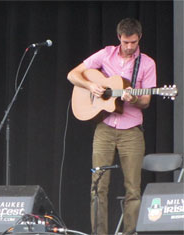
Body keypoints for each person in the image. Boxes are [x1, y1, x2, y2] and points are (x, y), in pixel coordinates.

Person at [67, 18, 156, 234]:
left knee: (133, 189)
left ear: (139, 38)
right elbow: (72, 74)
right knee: (98, 187)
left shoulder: (147, 63)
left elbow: (146, 101)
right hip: (105, 128)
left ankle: (129, 233)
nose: (129, 47)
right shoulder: (105, 54)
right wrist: (92, 86)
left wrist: (133, 99)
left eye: (133, 42)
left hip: (132, 132)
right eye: (125, 42)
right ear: (119, 38)